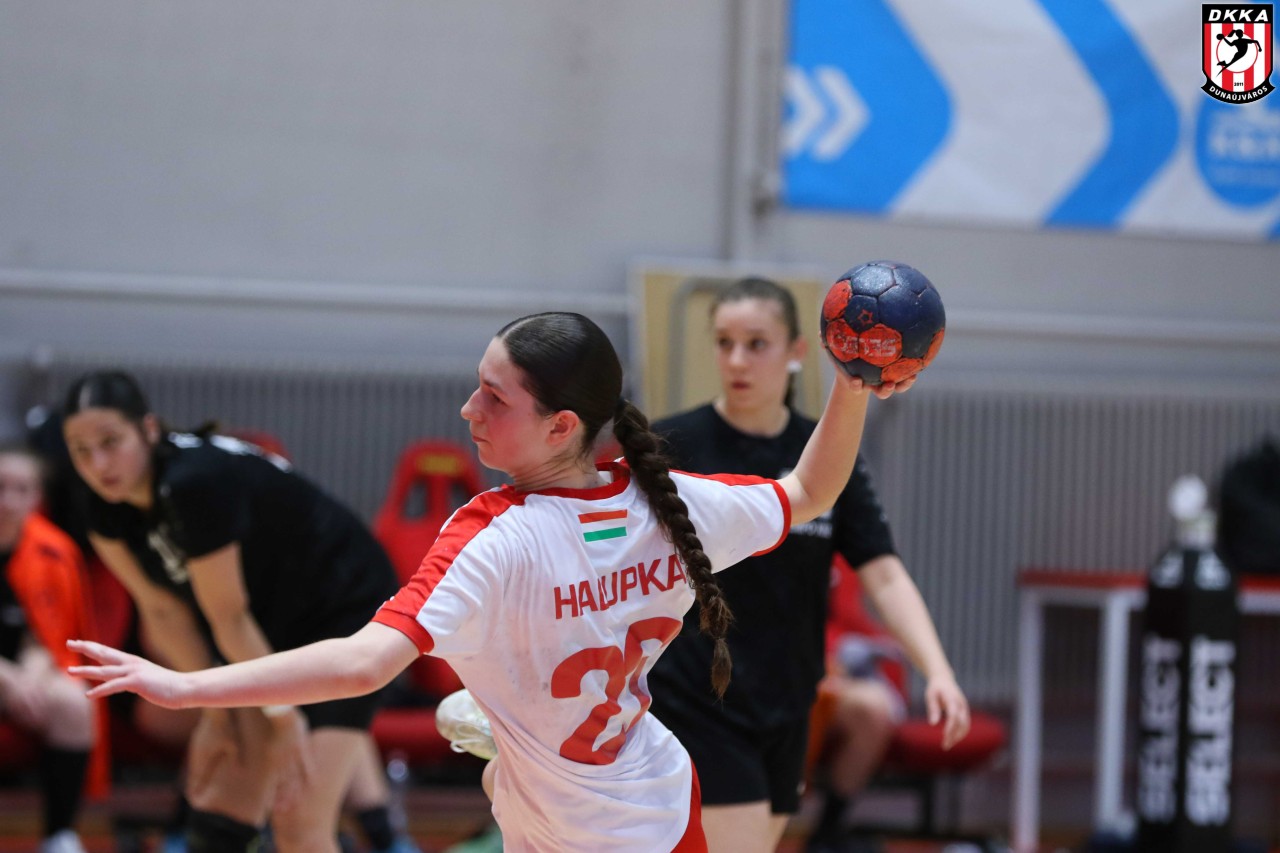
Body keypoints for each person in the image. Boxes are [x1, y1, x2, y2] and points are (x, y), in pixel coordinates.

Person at [67, 311, 910, 852]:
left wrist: (184, 686)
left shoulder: (495, 535)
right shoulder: (671, 503)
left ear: (561, 425)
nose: (468, 409)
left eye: (493, 398)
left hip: (591, 828)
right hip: (650, 801)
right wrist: (852, 384)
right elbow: (810, 491)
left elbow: (363, 664)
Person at [644, 278, 969, 852]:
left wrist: (937, 670)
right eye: (724, 342)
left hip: (789, 703)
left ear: (798, 350)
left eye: (756, 343)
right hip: (698, 696)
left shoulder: (825, 456)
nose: (736, 360)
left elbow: (882, 571)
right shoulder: (675, 444)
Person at [59, 371, 408, 853]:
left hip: (344, 608)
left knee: (298, 815)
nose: (98, 464)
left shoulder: (194, 483)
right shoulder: (102, 506)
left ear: (149, 429)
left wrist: (283, 718)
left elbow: (229, 616)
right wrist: (214, 710)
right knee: (222, 797)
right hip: (267, 620)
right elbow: (162, 611)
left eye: (110, 442)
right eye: (81, 451)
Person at [0, 444, 105, 853]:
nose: (8, 500)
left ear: (37, 496)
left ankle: (59, 834)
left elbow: (54, 635)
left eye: (22, 489)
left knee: (75, 703)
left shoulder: (55, 550)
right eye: (0, 486)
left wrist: (29, 675)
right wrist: (7, 678)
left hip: (31, 670)